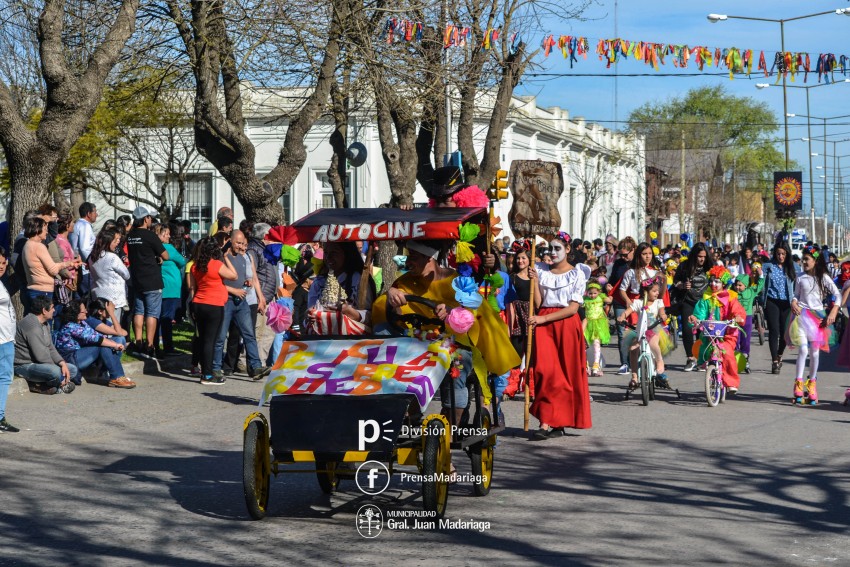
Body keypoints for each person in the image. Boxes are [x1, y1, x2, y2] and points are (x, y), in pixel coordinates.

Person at [527, 232, 591, 440]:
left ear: (568, 250)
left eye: (557, 248)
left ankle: (557, 421)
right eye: (550, 249)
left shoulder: (578, 274)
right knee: (545, 371)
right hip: (544, 322)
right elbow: (539, 303)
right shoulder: (540, 270)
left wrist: (543, 320)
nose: (552, 253)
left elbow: (573, 308)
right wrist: (535, 282)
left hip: (565, 324)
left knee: (565, 374)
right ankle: (546, 420)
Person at [213, 229, 270, 380]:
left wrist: (248, 285)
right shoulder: (221, 257)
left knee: (249, 335)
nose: (240, 246)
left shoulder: (245, 257)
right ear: (230, 241)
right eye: (237, 243)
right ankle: (216, 367)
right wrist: (234, 290)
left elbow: (249, 278)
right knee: (220, 337)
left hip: (242, 301)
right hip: (226, 301)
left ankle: (256, 366)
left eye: (242, 243)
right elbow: (215, 282)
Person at [788, 245, 840, 405]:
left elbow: (837, 294)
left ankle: (812, 385)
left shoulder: (823, 277)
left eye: (807, 259)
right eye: (803, 259)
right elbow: (796, 295)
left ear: (815, 261)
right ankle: (798, 383)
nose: (803, 262)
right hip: (802, 316)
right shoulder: (800, 276)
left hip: (818, 318)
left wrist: (833, 312)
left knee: (815, 353)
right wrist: (794, 302)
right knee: (803, 349)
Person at [689, 266, 746, 394]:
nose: (713, 284)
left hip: (727, 334)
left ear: (724, 283)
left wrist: (737, 317)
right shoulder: (706, 298)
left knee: (727, 353)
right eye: (712, 281)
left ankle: (731, 382)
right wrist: (695, 318)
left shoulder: (730, 297)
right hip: (710, 333)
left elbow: (737, 310)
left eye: (717, 281)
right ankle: (711, 370)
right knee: (706, 350)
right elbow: (700, 313)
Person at [189, 237, 238, 385]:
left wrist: (191, 306)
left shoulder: (194, 265)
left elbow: (192, 288)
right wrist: (226, 258)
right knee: (210, 340)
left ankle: (205, 372)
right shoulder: (216, 264)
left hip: (198, 303)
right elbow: (234, 276)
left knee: (204, 339)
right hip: (213, 305)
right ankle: (208, 375)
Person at [54, 299, 135, 388]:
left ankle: (110, 374)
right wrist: (115, 345)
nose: (86, 311)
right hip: (71, 359)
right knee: (103, 345)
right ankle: (117, 377)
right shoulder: (71, 326)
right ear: (76, 314)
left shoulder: (82, 323)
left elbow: (98, 335)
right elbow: (97, 339)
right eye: (83, 310)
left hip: (81, 354)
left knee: (115, 340)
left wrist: (114, 343)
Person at [126, 206, 169, 358]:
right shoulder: (150, 236)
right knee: (151, 313)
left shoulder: (130, 236)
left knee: (139, 311)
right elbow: (166, 255)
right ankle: (149, 345)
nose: (151, 220)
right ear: (146, 219)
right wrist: (157, 257)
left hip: (137, 279)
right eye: (150, 217)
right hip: (152, 279)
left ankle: (138, 342)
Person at [306, 241, 375, 334]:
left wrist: (349, 312)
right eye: (326, 252)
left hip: (352, 341)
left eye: (334, 252)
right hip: (321, 339)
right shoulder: (319, 282)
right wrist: (311, 315)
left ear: (346, 253)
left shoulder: (359, 280)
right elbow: (309, 311)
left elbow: (370, 317)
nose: (328, 257)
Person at [13, 295, 77, 395]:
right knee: (55, 371)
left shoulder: (45, 324)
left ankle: (50, 385)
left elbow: (51, 347)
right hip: (24, 365)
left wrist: (62, 363)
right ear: (44, 310)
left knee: (72, 369)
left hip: (40, 364)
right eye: (52, 308)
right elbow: (41, 356)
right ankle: (48, 385)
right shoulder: (31, 325)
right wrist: (60, 372)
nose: (54, 310)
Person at [617, 278, 673, 389]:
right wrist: (622, 317)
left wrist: (663, 315)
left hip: (654, 328)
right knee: (633, 349)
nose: (657, 293)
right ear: (646, 292)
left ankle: (659, 360)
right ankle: (634, 376)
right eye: (654, 291)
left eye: (658, 291)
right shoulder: (638, 302)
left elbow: (662, 311)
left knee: (653, 344)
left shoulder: (658, 302)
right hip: (641, 330)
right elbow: (628, 311)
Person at [21, 217, 80, 314]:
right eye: (45, 229)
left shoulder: (27, 244)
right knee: (44, 324)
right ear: (37, 229)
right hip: (43, 292)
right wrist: (69, 263)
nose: (47, 232)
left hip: (34, 289)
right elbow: (53, 269)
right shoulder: (39, 246)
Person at [503, 242, 534, 399]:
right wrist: (510, 324)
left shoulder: (535, 277)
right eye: (518, 258)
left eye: (523, 258)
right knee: (516, 355)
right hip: (517, 318)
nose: (520, 261)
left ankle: (531, 389)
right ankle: (510, 388)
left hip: (532, 317)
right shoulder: (512, 278)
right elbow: (509, 303)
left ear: (529, 259)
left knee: (533, 357)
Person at [673, 243, 710, 372]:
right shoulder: (684, 266)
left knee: (702, 332)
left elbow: (720, 281)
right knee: (688, 330)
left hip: (704, 303)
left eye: (704, 257)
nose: (702, 259)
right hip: (687, 301)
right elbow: (675, 281)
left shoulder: (709, 267)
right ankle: (690, 358)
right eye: (699, 256)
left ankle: (701, 359)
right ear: (694, 255)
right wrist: (682, 285)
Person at [760, 244, 796, 374]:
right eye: (778, 254)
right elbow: (759, 281)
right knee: (774, 330)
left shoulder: (793, 267)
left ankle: (780, 354)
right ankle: (774, 361)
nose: (780, 256)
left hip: (787, 303)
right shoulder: (768, 266)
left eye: (783, 254)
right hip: (771, 301)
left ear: (787, 254)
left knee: (784, 333)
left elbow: (799, 286)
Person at [153, 223, 187, 356]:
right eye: (165, 234)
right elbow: (182, 261)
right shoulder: (168, 248)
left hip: (159, 286)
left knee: (157, 316)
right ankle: (168, 347)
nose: (168, 236)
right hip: (171, 287)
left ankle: (155, 343)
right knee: (167, 318)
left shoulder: (153, 249)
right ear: (159, 235)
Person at [89, 229, 131, 328]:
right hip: (113, 299)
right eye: (115, 240)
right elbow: (126, 275)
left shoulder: (93, 257)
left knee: (100, 327)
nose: (118, 242)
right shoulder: (112, 257)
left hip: (98, 295)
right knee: (113, 327)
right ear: (108, 242)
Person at [608, 237, 636, 375]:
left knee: (637, 332)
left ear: (633, 250)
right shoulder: (618, 264)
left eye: (626, 254)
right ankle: (625, 363)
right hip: (620, 301)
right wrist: (608, 286)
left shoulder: (639, 263)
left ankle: (636, 361)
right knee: (621, 333)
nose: (624, 258)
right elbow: (612, 281)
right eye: (621, 255)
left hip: (636, 303)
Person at [0, 247, 18, 432]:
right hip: (2, 340)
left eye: (3, 263)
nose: (1, 266)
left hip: (6, 338)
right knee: (4, 378)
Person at [733, 270, 765, 374]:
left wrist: (761, 275)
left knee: (745, 339)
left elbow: (760, 285)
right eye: (736, 285)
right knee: (735, 340)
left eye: (740, 285)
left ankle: (745, 359)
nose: (737, 287)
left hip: (747, 318)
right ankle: (735, 360)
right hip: (735, 319)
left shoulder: (751, 292)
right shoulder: (732, 293)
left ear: (745, 286)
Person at [584, 281, 612, 378]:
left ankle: (596, 365)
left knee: (596, 345)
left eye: (595, 293)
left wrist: (609, 292)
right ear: (587, 292)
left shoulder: (601, 297)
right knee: (585, 346)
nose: (592, 295)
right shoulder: (585, 299)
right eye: (590, 293)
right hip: (587, 324)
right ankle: (586, 365)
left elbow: (609, 300)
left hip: (598, 325)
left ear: (599, 292)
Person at [70, 202, 98, 297]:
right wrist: (93, 264)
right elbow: (84, 248)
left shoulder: (78, 224)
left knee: (79, 301)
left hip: (79, 268)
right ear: (88, 214)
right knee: (87, 300)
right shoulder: (85, 226)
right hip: (85, 269)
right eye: (94, 212)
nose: (96, 214)